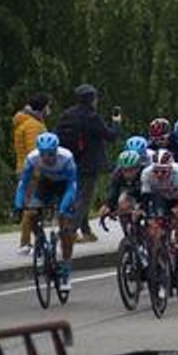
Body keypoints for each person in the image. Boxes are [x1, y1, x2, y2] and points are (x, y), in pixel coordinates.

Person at [13, 132, 79, 294]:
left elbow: (72, 185)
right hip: (46, 184)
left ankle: (66, 269)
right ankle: (41, 243)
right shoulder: (32, 158)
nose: (47, 158)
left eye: (50, 154)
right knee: (32, 213)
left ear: (56, 151)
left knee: (66, 228)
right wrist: (18, 205)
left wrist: (63, 209)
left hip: (66, 187)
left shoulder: (67, 157)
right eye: (43, 154)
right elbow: (23, 184)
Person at [54, 84, 119, 243]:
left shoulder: (67, 114)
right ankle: (70, 231)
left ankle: (86, 231)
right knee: (84, 198)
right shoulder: (92, 117)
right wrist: (117, 122)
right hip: (88, 163)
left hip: (69, 161)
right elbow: (111, 136)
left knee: (76, 195)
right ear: (92, 99)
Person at [11, 91, 50, 252]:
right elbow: (34, 151)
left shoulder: (26, 122)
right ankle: (25, 242)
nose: (49, 109)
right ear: (42, 108)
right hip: (33, 171)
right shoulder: (33, 125)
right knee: (32, 208)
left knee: (34, 207)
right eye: (48, 106)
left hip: (23, 168)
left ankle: (40, 239)